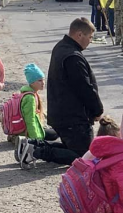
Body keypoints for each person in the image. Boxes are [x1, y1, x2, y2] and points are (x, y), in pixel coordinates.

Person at [20, 18, 104, 168]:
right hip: (73, 117)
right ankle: (35, 151)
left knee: (74, 149)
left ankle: (31, 145)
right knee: (83, 156)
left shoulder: (61, 47)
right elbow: (84, 88)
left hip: (62, 114)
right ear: (79, 35)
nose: (90, 41)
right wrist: (97, 110)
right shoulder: (72, 57)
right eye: (90, 37)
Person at [11, 64, 57, 154]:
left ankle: (17, 136)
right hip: (28, 131)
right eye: (39, 81)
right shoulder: (30, 98)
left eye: (43, 80)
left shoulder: (30, 93)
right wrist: (36, 139)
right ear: (32, 82)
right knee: (55, 134)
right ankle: (21, 138)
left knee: (54, 132)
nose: (43, 83)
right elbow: (30, 119)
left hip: (27, 129)